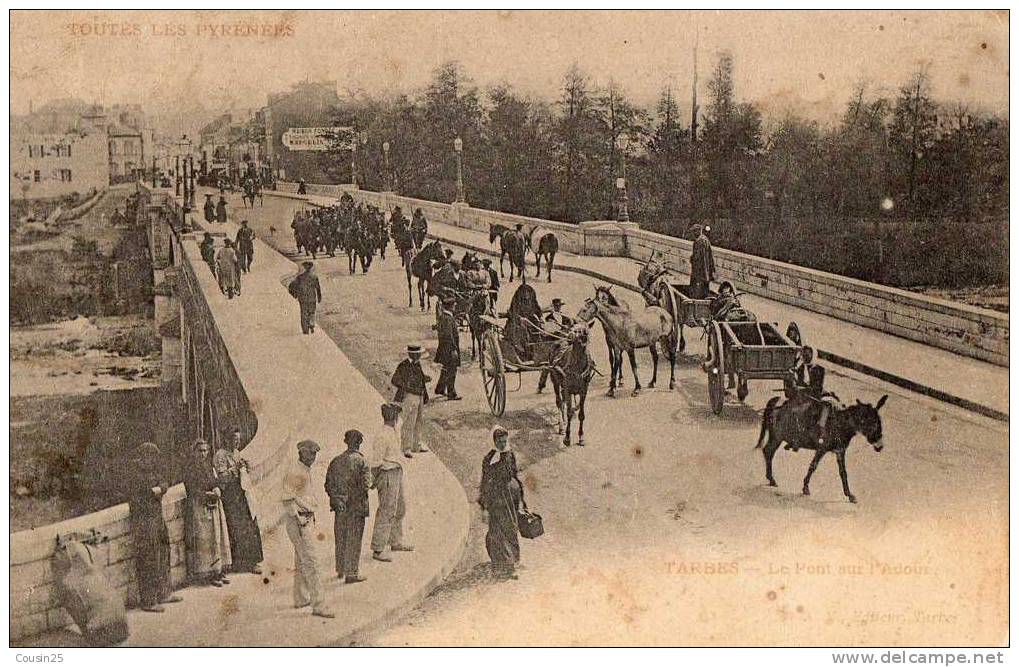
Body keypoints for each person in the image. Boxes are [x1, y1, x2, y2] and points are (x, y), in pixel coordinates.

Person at [125, 442, 184, 611]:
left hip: (156, 517)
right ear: (144, 457)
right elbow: (140, 495)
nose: (153, 460)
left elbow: (164, 482)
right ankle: (149, 601)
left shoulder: (153, 471)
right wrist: (153, 491)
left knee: (164, 552)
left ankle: (164, 593)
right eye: (151, 457)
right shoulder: (135, 474)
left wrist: (160, 488)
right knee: (148, 558)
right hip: (144, 521)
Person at [281, 440, 334, 618]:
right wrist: (299, 520)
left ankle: (301, 598)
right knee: (312, 562)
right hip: (299, 521)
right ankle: (319, 605)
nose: (313, 457)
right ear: (302, 453)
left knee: (302, 560)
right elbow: (287, 499)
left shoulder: (304, 469)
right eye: (311, 453)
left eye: (315, 453)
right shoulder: (295, 471)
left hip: (304, 519)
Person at [213, 429, 264, 574]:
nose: (237, 442)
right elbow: (222, 477)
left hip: (242, 493)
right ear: (227, 439)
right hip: (230, 495)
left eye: (238, 439)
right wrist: (236, 468)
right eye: (234, 439)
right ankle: (240, 563)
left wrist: (245, 467)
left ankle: (252, 561)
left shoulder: (236, 452)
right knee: (237, 527)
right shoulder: (220, 455)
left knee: (250, 524)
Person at [182, 439, 231, 587]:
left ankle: (219, 570)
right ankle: (208, 574)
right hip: (200, 506)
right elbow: (190, 489)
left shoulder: (209, 466)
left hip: (214, 504)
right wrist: (206, 495)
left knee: (217, 537)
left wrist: (217, 488)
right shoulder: (190, 469)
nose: (203, 454)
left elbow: (215, 480)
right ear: (194, 453)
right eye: (199, 451)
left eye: (205, 450)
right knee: (206, 540)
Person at [325, 429, 372, 583]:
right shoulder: (362, 461)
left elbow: (328, 485)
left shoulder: (336, 460)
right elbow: (366, 485)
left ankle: (340, 569)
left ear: (346, 442)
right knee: (354, 538)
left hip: (340, 507)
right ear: (360, 443)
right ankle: (351, 573)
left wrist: (337, 499)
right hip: (356, 507)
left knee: (341, 537)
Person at [369, 404, 414, 562]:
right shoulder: (383, 435)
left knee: (400, 507)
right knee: (387, 510)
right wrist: (375, 480)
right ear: (394, 417)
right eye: (396, 416)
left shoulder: (394, 431)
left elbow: (401, 424)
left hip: (396, 472)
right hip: (387, 474)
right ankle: (378, 548)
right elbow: (375, 462)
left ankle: (395, 540)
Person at [479, 427, 522, 579]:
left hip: (510, 499)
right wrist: (484, 507)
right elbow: (484, 483)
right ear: (494, 441)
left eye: (505, 441)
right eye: (500, 441)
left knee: (510, 529)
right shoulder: (489, 459)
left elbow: (515, 475)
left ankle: (511, 566)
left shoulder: (510, 455)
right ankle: (499, 565)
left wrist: (521, 499)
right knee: (496, 532)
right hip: (496, 500)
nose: (503, 444)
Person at [390, 345, 431, 454]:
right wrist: (407, 387)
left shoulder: (417, 364)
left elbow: (420, 378)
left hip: (420, 395)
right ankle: (406, 447)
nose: (419, 355)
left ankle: (416, 445)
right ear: (411, 354)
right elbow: (394, 380)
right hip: (410, 396)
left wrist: (425, 378)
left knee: (419, 421)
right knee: (409, 422)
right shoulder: (403, 365)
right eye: (417, 354)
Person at [537, 299, 574, 394]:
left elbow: (571, 326)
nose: (558, 307)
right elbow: (547, 331)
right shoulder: (548, 318)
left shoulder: (565, 317)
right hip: (553, 341)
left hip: (565, 340)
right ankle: (541, 385)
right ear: (553, 307)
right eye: (556, 306)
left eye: (559, 306)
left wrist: (568, 329)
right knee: (546, 364)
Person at [434, 296, 462, 401]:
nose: (455, 306)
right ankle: (452, 393)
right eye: (454, 305)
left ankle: (439, 388)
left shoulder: (444, 317)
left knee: (446, 369)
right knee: (452, 371)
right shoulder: (447, 319)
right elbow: (448, 336)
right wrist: (453, 350)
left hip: (445, 349)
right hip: (449, 350)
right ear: (450, 307)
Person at [288, 261, 322, 335]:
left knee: (303, 313)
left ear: (304, 267)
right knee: (311, 312)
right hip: (312, 298)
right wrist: (319, 297)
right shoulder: (314, 277)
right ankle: (311, 324)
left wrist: (294, 294)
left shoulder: (300, 277)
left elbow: (292, 286)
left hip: (302, 298)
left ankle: (305, 330)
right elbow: (318, 288)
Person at [689, 224, 715, 299]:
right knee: (705, 286)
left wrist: (691, 258)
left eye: (694, 232)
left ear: (698, 231)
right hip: (706, 269)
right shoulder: (706, 240)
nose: (693, 234)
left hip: (699, 270)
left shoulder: (698, 241)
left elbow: (697, 257)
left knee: (697, 288)